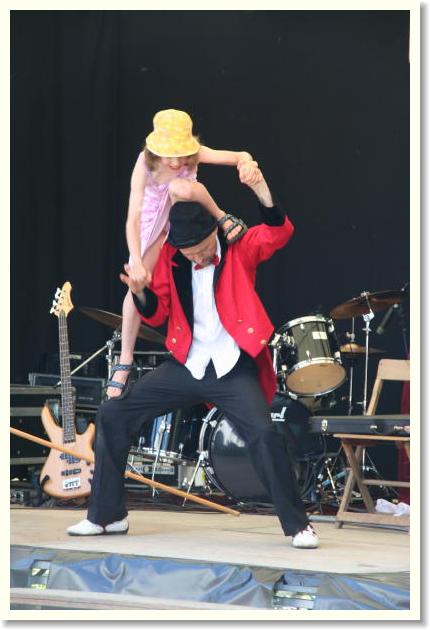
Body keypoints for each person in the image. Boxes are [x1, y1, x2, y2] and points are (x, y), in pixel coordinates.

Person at [68, 170, 319, 549]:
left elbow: (277, 233)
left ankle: (298, 526)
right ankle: (107, 516)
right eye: (190, 253)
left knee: (264, 434)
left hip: (232, 367)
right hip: (188, 363)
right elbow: (156, 313)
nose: (198, 256)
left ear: (213, 232)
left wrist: (261, 190)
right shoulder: (171, 260)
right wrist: (139, 292)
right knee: (113, 413)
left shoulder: (237, 246)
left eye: (201, 249)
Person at [107, 108, 262, 398]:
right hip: (152, 224)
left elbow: (239, 155)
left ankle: (222, 216)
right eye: (170, 156)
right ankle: (125, 359)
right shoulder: (144, 164)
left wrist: (247, 164)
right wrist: (136, 259)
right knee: (136, 285)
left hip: (178, 216)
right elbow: (133, 219)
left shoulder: (194, 155)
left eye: (181, 155)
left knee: (181, 185)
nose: (177, 162)